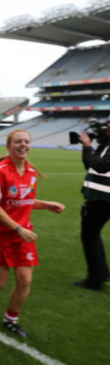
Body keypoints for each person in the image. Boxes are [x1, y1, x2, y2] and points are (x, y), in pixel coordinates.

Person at [0, 130, 65, 338]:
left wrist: (46, 205)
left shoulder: (32, 172)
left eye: (27, 141)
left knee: (25, 280)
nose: (23, 145)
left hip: (23, 235)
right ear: (9, 146)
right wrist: (18, 228)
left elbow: (24, 200)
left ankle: (11, 318)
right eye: (18, 141)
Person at [75, 114, 110, 291]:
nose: (107, 127)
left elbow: (102, 166)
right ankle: (101, 273)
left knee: (89, 237)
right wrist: (87, 147)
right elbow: (90, 164)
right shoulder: (106, 145)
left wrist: (88, 146)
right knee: (93, 236)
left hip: (102, 200)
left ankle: (95, 280)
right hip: (99, 199)